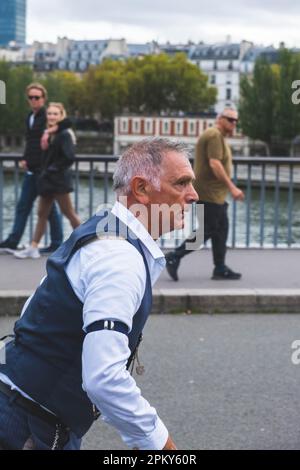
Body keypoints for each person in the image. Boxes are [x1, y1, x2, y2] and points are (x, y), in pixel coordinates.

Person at [0, 138, 198, 450]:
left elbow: (34, 312)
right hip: (29, 425)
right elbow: (103, 378)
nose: (193, 195)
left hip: (24, 407)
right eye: (182, 183)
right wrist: (159, 443)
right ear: (142, 189)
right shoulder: (119, 257)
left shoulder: (101, 231)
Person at [165, 108, 244, 281]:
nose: (234, 123)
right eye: (230, 119)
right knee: (207, 230)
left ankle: (220, 268)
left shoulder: (218, 136)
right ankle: (174, 256)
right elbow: (215, 164)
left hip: (215, 194)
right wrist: (232, 188)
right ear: (220, 119)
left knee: (220, 229)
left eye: (236, 120)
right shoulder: (214, 135)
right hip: (209, 193)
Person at [0, 83, 63, 255]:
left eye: (37, 97)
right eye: (31, 97)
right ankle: (14, 241)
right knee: (24, 206)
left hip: (43, 171)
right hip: (32, 169)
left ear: (43, 99)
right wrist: (24, 158)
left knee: (50, 210)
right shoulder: (30, 116)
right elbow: (31, 142)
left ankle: (57, 243)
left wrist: (53, 129)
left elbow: (66, 123)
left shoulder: (47, 115)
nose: (34, 100)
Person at [14, 103, 81, 259]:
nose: (51, 116)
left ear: (61, 115)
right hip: (48, 181)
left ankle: (88, 243)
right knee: (41, 213)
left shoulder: (64, 134)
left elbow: (69, 157)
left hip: (58, 181)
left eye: (55, 114)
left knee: (69, 213)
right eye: (50, 113)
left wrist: (51, 170)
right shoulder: (49, 133)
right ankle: (33, 247)